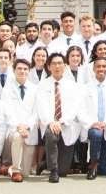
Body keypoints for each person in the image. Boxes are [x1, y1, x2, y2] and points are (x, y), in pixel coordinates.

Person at [35, 52, 81, 183]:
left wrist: (61, 121)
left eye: (60, 63)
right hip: (50, 124)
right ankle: (53, 170)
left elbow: (74, 107)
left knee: (64, 171)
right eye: (54, 64)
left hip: (66, 125)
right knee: (51, 135)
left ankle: (45, 164)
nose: (57, 66)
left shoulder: (72, 85)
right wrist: (51, 122)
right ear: (48, 67)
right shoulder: (43, 85)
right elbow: (41, 106)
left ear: (65, 66)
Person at [79, 57, 106, 179]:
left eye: (104, 66)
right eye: (98, 66)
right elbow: (80, 110)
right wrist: (92, 123)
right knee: (96, 134)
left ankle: (99, 165)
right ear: (93, 69)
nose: (101, 69)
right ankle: (93, 165)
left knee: (104, 171)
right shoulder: (85, 88)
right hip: (92, 127)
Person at [1, 58, 38, 182]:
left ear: (29, 71)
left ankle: (7, 169)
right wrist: (19, 127)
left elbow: (36, 112)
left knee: (26, 173)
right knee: (17, 136)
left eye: (25, 69)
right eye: (19, 69)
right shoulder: (7, 89)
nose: (22, 71)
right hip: (14, 130)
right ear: (14, 70)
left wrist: (27, 127)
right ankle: (15, 170)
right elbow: (7, 112)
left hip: (29, 131)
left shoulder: (35, 89)